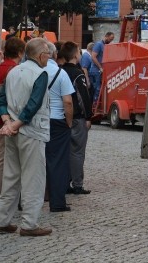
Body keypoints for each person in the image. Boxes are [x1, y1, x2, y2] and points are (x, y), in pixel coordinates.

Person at [0, 37, 53, 237]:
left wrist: (8, 123)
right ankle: (29, 224)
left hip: (11, 131)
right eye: (47, 54)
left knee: (11, 176)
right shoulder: (40, 73)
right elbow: (33, 105)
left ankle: (2, 220)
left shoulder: (12, 71)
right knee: (33, 179)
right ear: (39, 55)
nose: (49, 58)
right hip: (32, 131)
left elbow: (1, 100)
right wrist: (17, 124)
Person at [0, 36, 25, 203]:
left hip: (1, 119)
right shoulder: (13, 69)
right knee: (2, 157)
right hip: (6, 120)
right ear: (19, 52)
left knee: (3, 156)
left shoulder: (2, 66)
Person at [44, 42, 75, 213]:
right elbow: (68, 102)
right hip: (56, 121)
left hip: (35, 122)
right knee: (57, 163)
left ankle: (23, 201)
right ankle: (57, 202)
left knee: (32, 163)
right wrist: (68, 123)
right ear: (54, 54)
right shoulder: (60, 73)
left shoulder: (30, 71)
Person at [62, 41, 93, 195]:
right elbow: (83, 97)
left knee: (65, 151)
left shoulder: (60, 71)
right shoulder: (78, 74)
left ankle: (64, 181)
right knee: (77, 152)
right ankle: (77, 184)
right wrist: (88, 116)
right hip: (76, 116)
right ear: (75, 55)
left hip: (61, 117)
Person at [89, 32, 114, 108]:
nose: (111, 41)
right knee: (97, 89)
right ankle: (94, 106)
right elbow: (93, 57)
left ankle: (96, 105)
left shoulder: (105, 45)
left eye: (112, 39)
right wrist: (100, 67)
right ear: (106, 36)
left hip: (99, 70)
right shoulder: (99, 44)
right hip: (96, 71)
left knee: (99, 89)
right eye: (110, 39)